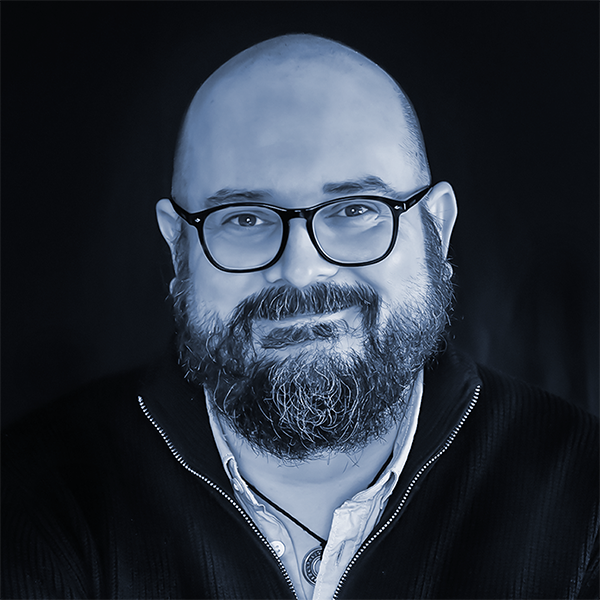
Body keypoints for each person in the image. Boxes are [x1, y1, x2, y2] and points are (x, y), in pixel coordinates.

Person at [1, 33, 599, 600]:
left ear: (436, 230)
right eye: (244, 218)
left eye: (355, 209)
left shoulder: (586, 494)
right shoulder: (33, 495)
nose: (301, 269)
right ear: (178, 247)